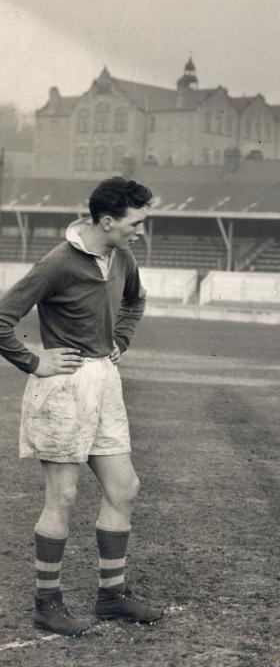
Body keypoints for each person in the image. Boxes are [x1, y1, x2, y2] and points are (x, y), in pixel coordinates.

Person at [0, 176, 162, 636]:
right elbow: (2, 317)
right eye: (137, 222)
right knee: (63, 497)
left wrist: (121, 340)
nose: (141, 231)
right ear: (107, 221)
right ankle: (46, 603)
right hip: (63, 388)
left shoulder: (122, 257)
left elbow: (136, 301)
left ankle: (111, 595)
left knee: (124, 487)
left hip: (104, 382)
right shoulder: (58, 263)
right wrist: (34, 360)